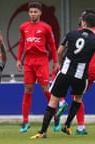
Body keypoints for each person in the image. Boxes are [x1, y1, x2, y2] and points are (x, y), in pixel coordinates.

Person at [30, 13, 95, 139]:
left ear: (83, 23)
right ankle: (67, 125)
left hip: (65, 72)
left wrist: (60, 63)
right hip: (81, 76)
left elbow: (59, 51)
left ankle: (42, 132)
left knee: (53, 101)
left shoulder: (71, 34)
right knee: (77, 99)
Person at [55, 8, 95, 135]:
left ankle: (62, 103)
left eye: (81, 18)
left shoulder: (78, 33)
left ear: (84, 21)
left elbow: (64, 50)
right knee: (78, 97)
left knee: (71, 93)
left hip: (80, 69)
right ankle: (80, 126)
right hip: (93, 70)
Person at [16, 1, 60, 133]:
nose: (33, 14)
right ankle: (25, 121)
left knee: (46, 89)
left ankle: (56, 116)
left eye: (35, 12)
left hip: (41, 61)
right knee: (28, 89)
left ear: (40, 13)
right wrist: (19, 59)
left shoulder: (46, 27)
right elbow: (22, 43)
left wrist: (56, 61)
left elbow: (52, 45)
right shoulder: (23, 27)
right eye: (31, 12)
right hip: (29, 61)